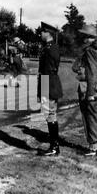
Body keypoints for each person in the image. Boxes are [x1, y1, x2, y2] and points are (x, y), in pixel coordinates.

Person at [75, 24, 97, 156]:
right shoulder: (96, 50)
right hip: (94, 87)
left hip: (89, 88)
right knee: (93, 116)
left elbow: (93, 73)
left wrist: (90, 93)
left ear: (89, 37)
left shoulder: (90, 51)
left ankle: (93, 146)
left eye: (84, 36)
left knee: (89, 117)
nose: (82, 38)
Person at [37, 22, 63, 156]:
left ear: (48, 33)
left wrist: (42, 90)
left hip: (49, 84)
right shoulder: (51, 47)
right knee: (50, 115)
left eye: (42, 32)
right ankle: (54, 145)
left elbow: (46, 71)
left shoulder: (50, 49)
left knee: (50, 115)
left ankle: (54, 147)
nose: (40, 34)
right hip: (51, 83)